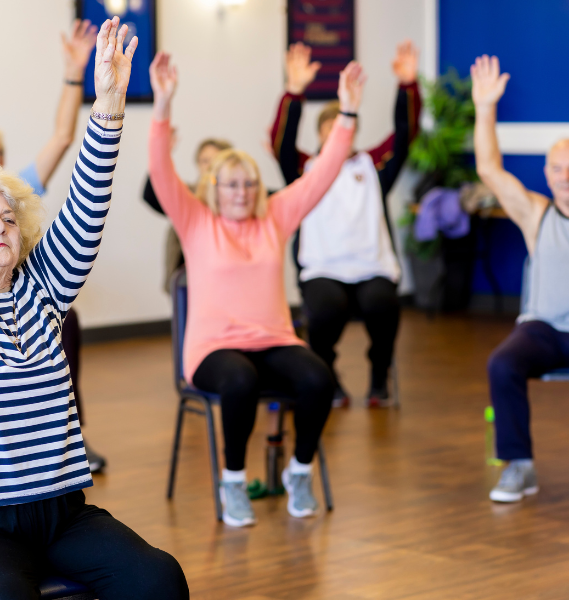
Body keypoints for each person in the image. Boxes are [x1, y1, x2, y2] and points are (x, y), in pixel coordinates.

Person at [0, 8, 187, 599]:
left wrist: (109, 106)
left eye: (7, 218)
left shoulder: (42, 291)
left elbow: (88, 199)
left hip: (60, 514)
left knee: (159, 580)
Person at [148, 51, 365, 527]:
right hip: (212, 350)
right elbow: (160, 172)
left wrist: (347, 114)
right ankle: (233, 483)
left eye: (249, 184)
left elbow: (323, 172)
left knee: (318, 378)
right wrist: (162, 104)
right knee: (240, 381)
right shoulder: (196, 221)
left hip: (272, 340)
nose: (242, 192)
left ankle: (300, 471)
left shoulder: (276, 216)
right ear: (214, 189)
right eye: (231, 185)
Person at [0, 20, 107, 472]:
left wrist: (75, 72)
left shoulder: (15, 192)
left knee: (65, 321)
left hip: (25, 313)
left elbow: (63, 137)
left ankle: (70, 436)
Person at [270, 41, 421, 408]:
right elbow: (282, 143)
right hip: (324, 269)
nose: (339, 136)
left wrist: (408, 86)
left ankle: (378, 378)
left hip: (372, 267)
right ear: (322, 136)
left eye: (345, 128)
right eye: (330, 130)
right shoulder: (305, 170)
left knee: (385, 307)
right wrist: (293, 91)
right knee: (324, 312)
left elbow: (405, 135)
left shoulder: (373, 166)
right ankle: (328, 376)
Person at [472, 55, 569, 503]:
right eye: (556, 168)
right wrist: (486, 107)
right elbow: (490, 170)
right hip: (544, 329)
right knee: (502, 363)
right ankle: (518, 466)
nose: (563, 176)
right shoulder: (537, 213)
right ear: (547, 173)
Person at [142, 136, 232, 292]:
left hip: (227, 278)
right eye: (204, 160)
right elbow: (150, 195)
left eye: (216, 160)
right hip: (186, 280)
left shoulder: (240, 198)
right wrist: (161, 154)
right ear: (197, 164)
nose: (210, 165)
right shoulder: (186, 195)